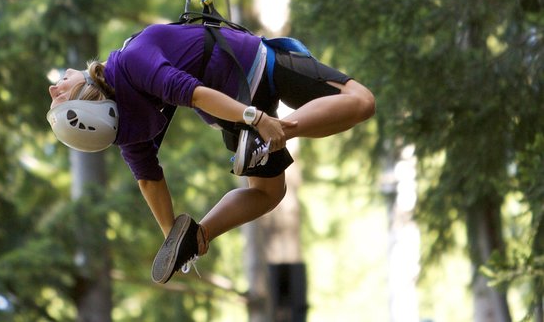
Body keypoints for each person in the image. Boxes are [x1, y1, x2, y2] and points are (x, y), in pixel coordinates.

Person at [47, 21, 375, 284]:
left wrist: (176, 238)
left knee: (268, 194)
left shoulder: (127, 124)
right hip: (254, 70)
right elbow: (198, 95)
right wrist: (258, 119)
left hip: (231, 114)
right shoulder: (132, 60)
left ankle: (201, 234)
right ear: (85, 97)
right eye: (59, 96)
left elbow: (149, 180)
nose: (52, 89)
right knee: (361, 100)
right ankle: (283, 129)